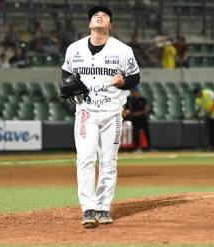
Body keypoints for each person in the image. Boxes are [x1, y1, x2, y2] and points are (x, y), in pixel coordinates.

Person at [62, 6, 140, 228]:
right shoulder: (74, 49)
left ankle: (104, 207)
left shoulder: (123, 50)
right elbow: (66, 74)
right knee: (85, 158)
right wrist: (70, 86)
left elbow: (135, 78)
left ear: (110, 25)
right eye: (95, 15)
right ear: (89, 24)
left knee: (108, 162)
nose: (99, 16)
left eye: (104, 15)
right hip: (86, 113)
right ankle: (88, 208)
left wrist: (123, 82)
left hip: (112, 114)